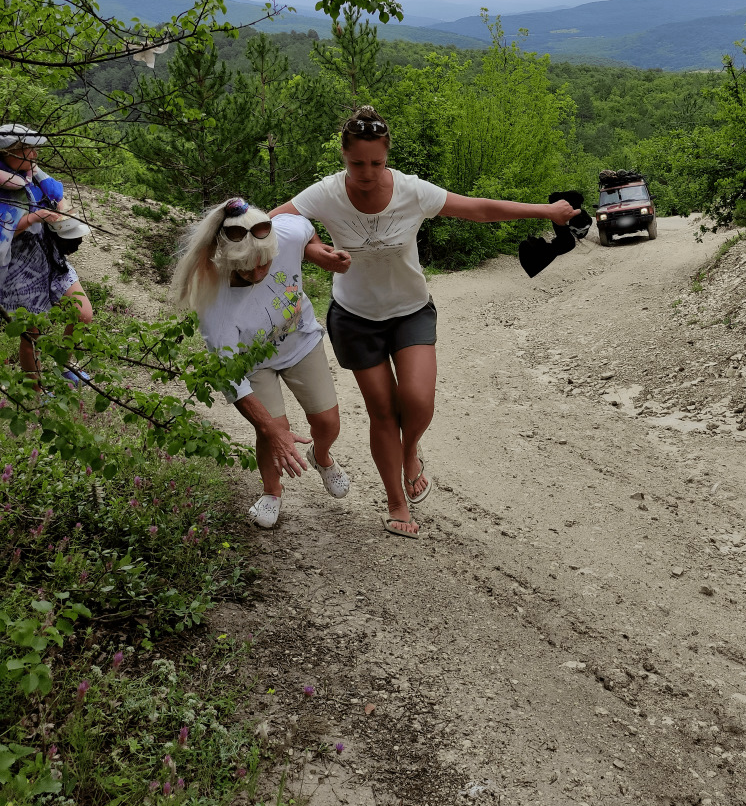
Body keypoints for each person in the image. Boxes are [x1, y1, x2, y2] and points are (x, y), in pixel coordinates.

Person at [270, 106, 576, 539]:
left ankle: (410, 450)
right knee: (381, 413)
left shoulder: (412, 191)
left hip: (410, 310)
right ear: (343, 156)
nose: (367, 172)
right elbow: (276, 223)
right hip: (355, 319)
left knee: (417, 400)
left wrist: (545, 212)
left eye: (376, 163)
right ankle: (397, 503)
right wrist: (315, 250)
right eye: (357, 163)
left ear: (387, 156)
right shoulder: (326, 193)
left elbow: (478, 210)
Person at [170, 196, 353, 529]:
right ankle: (271, 491)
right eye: (246, 267)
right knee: (272, 433)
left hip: (300, 341)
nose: (257, 273)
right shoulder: (215, 306)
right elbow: (229, 378)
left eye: (265, 263)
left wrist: (315, 252)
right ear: (226, 257)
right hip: (252, 364)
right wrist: (272, 430)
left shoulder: (284, 234)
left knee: (328, 424)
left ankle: (321, 456)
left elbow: (305, 227)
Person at [0, 124, 93, 387]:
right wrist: (34, 217)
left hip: (49, 258)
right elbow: (4, 232)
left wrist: (63, 215)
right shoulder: (4, 186)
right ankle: (36, 394)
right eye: (28, 149)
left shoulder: (32, 175)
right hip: (19, 269)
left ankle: (66, 365)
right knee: (32, 337)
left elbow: (57, 197)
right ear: (10, 152)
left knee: (83, 314)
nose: (35, 155)